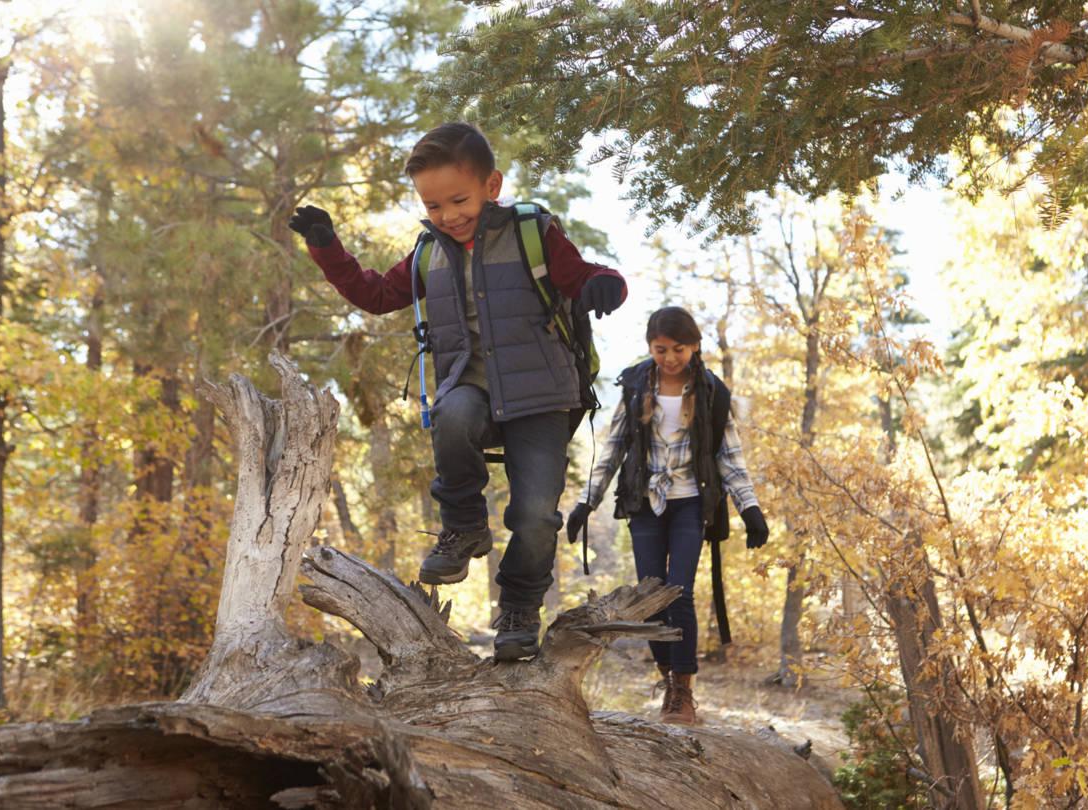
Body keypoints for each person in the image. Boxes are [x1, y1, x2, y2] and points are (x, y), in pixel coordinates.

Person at [289, 122, 627, 661]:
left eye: (458, 199)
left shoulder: (531, 232)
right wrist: (328, 249)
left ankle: (518, 609)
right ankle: (464, 528)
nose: (448, 214)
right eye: (434, 204)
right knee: (450, 411)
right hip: (470, 383)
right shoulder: (429, 253)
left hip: (541, 396)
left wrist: (605, 284)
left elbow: (581, 275)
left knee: (537, 515)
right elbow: (376, 294)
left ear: (491, 186)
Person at [567, 306, 768, 724]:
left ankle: (683, 690)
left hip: (691, 502)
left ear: (694, 346)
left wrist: (750, 508)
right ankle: (666, 681)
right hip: (645, 503)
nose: (671, 358)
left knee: (679, 593)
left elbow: (730, 458)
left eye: (679, 348)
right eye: (662, 349)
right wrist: (587, 502)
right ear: (650, 348)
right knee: (652, 597)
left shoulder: (712, 392)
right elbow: (614, 449)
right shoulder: (636, 384)